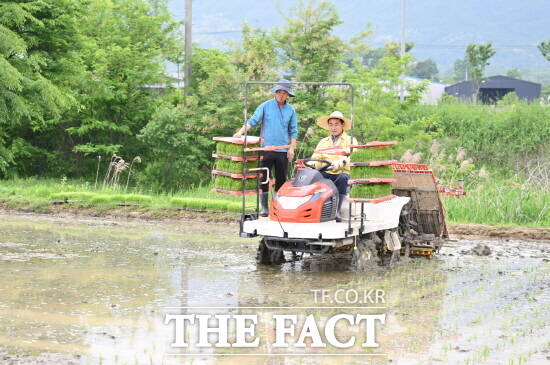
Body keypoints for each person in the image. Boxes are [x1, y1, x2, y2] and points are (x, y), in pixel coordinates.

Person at [233, 79, 298, 216]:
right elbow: (253, 121)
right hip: (267, 149)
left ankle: (277, 207)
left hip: (283, 150)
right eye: (279, 92)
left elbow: (293, 131)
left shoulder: (291, 110)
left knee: (281, 179)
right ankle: (265, 208)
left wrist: (291, 148)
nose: (281, 95)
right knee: (264, 177)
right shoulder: (265, 106)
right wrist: (240, 132)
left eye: (284, 93)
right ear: (275, 92)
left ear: (288, 95)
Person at [311, 111, 357, 222]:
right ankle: (314, 209)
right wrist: (313, 164)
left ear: (342, 125)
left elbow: (354, 156)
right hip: (326, 172)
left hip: (342, 173)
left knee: (342, 178)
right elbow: (315, 158)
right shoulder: (323, 142)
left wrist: (343, 161)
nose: (333, 127)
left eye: (336, 124)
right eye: (331, 124)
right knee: (313, 177)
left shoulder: (350, 140)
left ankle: (336, 210)